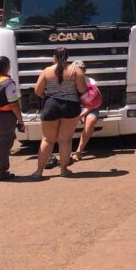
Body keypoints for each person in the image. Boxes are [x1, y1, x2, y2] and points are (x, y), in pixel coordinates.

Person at [32, 47, 87, 179]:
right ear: (67, 57)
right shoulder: (76, 70)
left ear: (54, 57)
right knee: (65, 140)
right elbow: (82, 89)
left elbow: (37, 90)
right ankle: (64, 170)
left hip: (51, 105)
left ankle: (39, 172)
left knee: (47, 139)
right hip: (70, 106)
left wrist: (48, 96)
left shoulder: (47, 71)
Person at [71, 61, 100, 162]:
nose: (78, 71)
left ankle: (78, 151)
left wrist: (81, 115)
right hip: (75, 106)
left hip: (91, 107)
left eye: (80, 69)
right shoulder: (67, 83)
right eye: (76, 69)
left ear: (84, 70)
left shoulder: (91, 82)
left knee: (90, 123)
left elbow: (92, 103)